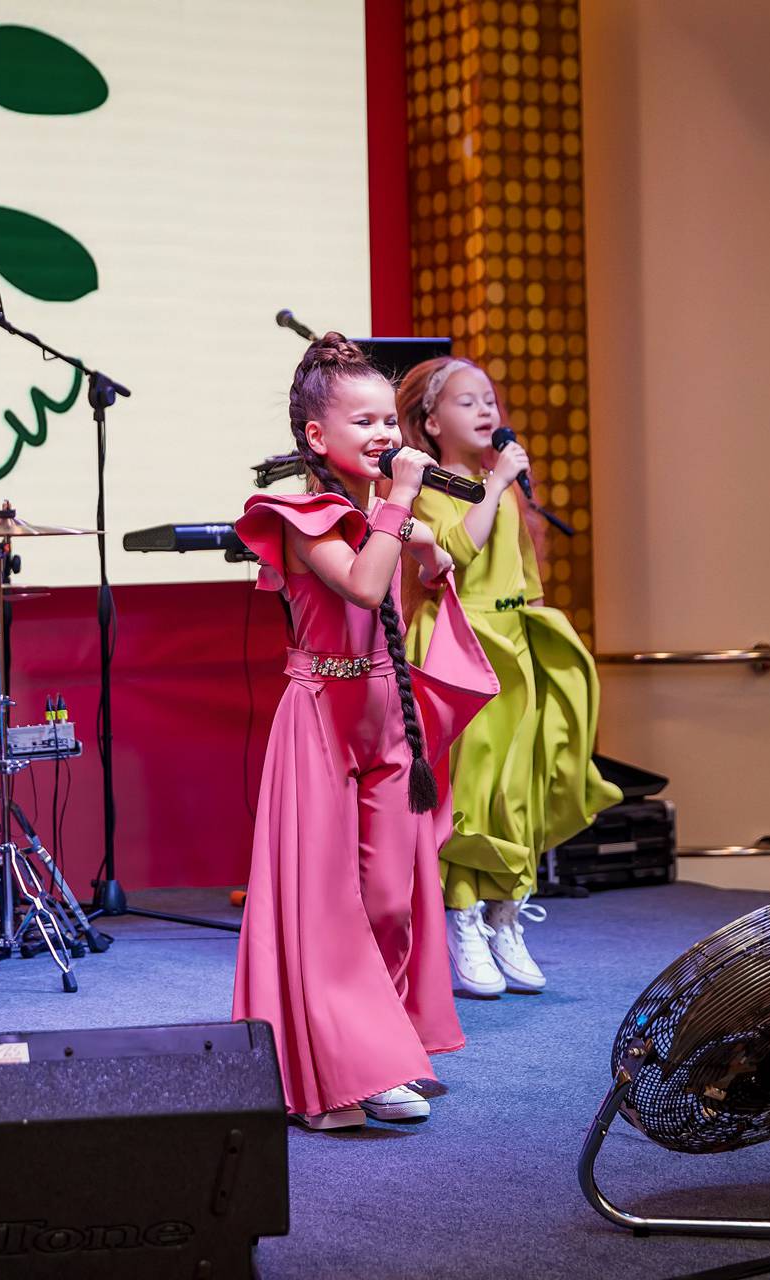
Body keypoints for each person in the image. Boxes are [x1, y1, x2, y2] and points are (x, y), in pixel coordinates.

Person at [233, 335, 498, 1129]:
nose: (385, 435)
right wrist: (402, 506)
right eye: (365, 422)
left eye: (390, 420)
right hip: (320, 717)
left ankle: (379, 1049)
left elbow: (414, 555)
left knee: (390, 899)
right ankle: (342, 1071)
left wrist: (428, 542)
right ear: (317, 437)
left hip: (389, 719)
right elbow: (362, 583)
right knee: (327, 908)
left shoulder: (381, 512)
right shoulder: (301, 517)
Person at [396, 357, 621, 998]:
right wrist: (495, 485)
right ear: (431, 421)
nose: (485, 411)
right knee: (470, 788)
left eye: (489, 401)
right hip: (459, 646)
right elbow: (451, 555)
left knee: (516, 790)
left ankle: (506, 915)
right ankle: (462, 915)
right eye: (467, 402)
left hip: (513, 642)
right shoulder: (430, 484)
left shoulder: (505, 486)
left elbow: (524, 574)